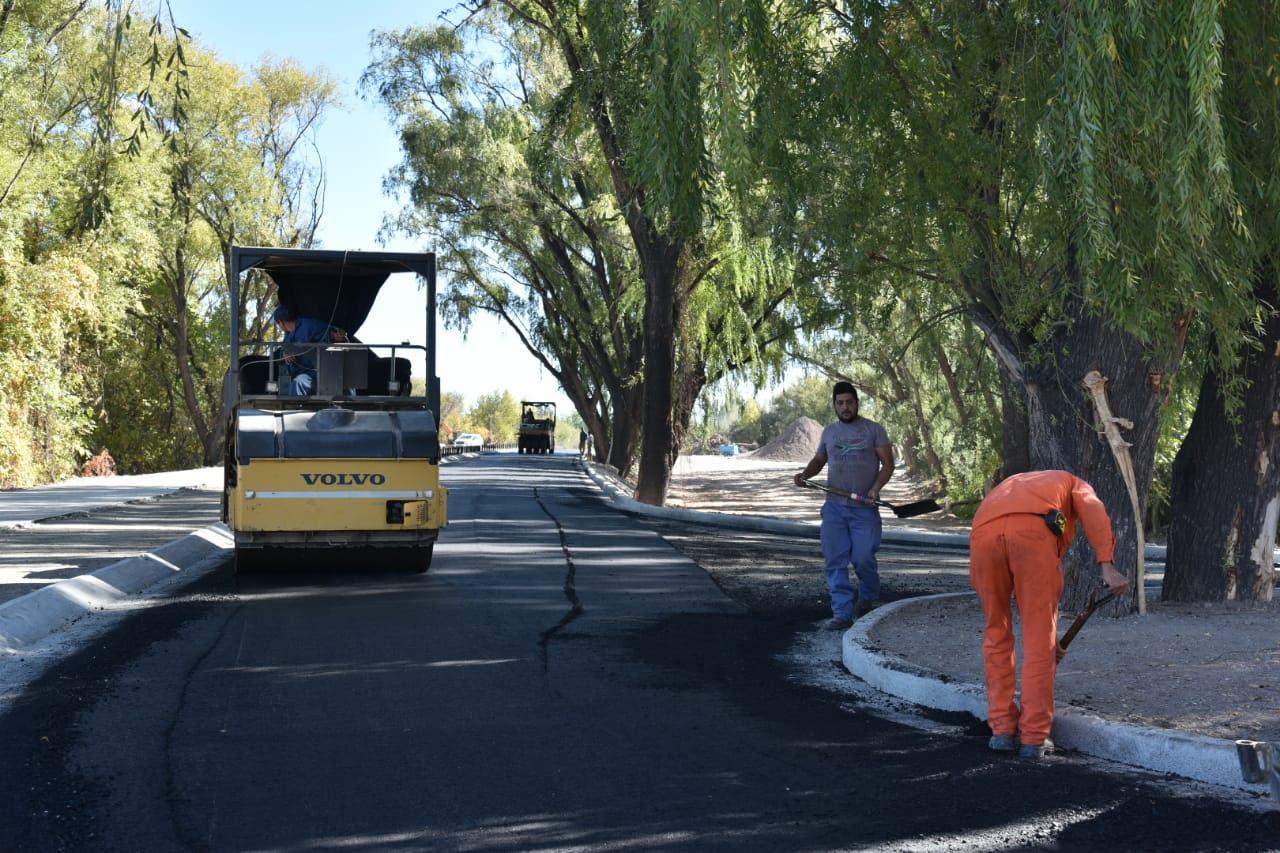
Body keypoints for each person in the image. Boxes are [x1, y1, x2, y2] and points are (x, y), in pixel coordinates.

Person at [968, 470, 1130, 760]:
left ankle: (1002, 731)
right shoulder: (1073, 482)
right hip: (1031, 534)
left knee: (997, 630)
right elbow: (1092, 509)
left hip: (983, 537)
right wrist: (1107, 564)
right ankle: (1033, 736)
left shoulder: (1014, 483)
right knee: (1039, 640)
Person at [793, 381, 894, 629]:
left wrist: (874, 489)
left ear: (857, 403)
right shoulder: (829, 433)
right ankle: (842, 613)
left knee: (862, 559)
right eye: (840, 403)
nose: (845, 407)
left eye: (850, 402)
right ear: (835, 406)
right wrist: (805, 475)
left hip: (864, 509)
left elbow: (888, 465)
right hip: (835, 508)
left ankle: (869, 597)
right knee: (834, 560)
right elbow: (819, 460)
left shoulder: (874, 430)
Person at [272, 305, 344, 396]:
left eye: (278, 324)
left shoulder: (309, 325)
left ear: (281, 322)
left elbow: (331, 334)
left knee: (298, 384)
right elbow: (284, 349)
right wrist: (285, 354)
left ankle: (294, 408)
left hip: (316, 374)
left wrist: (334, 336)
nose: (279, 326)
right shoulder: (287, 335)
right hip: (299, 374)